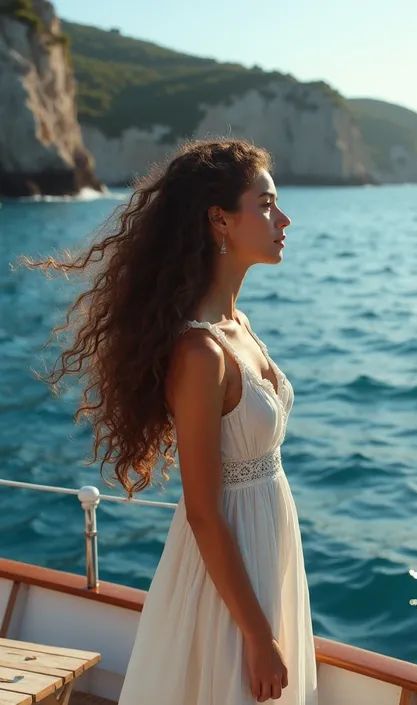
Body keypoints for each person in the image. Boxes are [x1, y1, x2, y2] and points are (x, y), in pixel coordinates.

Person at [23, 139, 318, 704]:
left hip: (267, 547)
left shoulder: (240, 325)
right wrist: (257, 635)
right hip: (226, 570)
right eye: (265, 204)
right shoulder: (200, 353)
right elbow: (205, 512)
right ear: (219, 220)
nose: (283, 219)